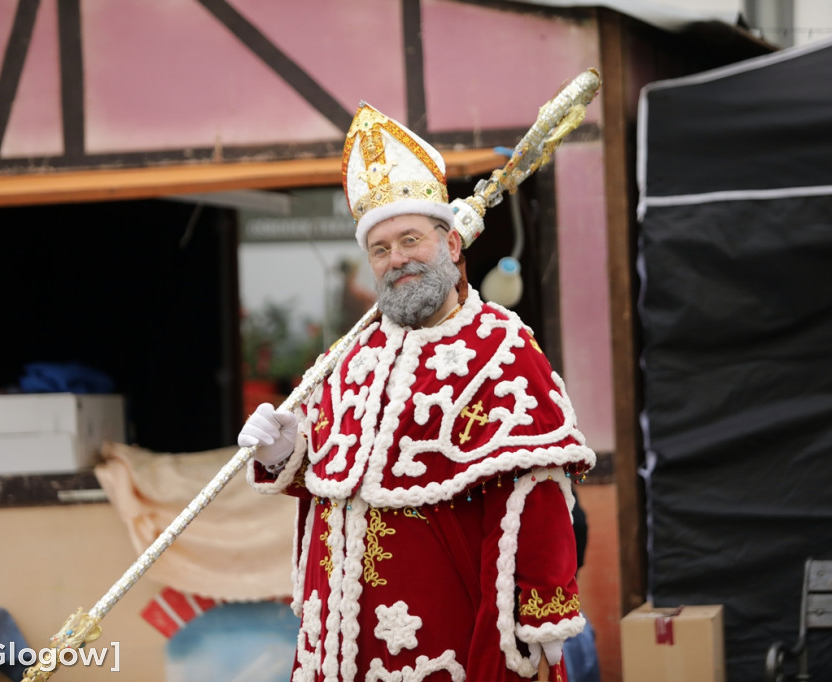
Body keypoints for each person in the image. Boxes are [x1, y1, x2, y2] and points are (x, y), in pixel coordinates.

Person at [239, 102, 597, 681]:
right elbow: (328, 477)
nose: (396, 260)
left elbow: (538, 497)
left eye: (411, 240)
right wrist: (284, 450)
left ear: (452, 245)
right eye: (380, 250)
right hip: (337, 656)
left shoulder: (501, 349)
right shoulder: (345, 359)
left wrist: (539, 622)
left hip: (446, 647)